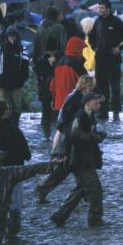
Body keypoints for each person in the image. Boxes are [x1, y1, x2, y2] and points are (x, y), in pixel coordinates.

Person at [36, 75, 96, 204]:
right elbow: (63, 120)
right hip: (71, 140)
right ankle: (45, 189)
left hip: (77, 140)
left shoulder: (81, 98)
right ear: (85, 85)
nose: (92, 89)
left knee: (77, 170)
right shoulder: (75, 98)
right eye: (90, 86)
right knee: (66, 169)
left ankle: (83, 194)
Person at [51, 92, 106, 227]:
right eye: (96, 102)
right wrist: (93, 137)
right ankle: (94, 218)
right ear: (87, 103)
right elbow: (75, 133)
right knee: (95, 188)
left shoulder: (90, 115)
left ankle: (60, 215)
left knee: (81, 188)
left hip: (84, 157)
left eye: (99, 103)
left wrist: (98, 135)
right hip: (79, 159)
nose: (98, 105)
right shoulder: (81, 115)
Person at [0, 100, 32, 241]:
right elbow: (25, 152)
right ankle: (12, 232)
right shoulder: (13, 130)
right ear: (6, 111)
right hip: (14, 170)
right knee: (15, 202)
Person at [89, 0, 123, 121]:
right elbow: (91, 37)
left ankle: (116, 111)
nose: (100, 10)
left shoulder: (117, 21)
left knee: (115, 87)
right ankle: (103, 112)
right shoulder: (97, 21)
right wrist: (95, 48)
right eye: (99, 7)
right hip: (100, 59)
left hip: (113, 59)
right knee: (101, 87)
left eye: (102, 8)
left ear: (108, 8)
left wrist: (120, 48)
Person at [33, 7, 68, 138]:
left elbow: (36, 48)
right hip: (55, 65)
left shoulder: (40, 27)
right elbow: (63, 46)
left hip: (42, 65)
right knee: (55, 91)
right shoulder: (59, 28)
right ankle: (55, 119)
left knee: (45, 94)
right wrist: (56, 58)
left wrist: (39, 61)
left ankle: (45, 119)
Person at [0, 26, 29, 121]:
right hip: (2, 83)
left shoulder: (22, 49)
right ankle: (2, 123)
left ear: (17, 36)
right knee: (2, 105)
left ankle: (15, 124)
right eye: (10, 35)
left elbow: (26, 66)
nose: (12, 37)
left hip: (17, 83)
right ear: (6, 36)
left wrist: (22, 79)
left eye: (13, 35)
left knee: (17, 106)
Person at [49, 37, 87, 118]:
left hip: (59, 104)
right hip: (73, 104)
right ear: (77, 48)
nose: (82, 52)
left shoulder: (59, 62)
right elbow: (87, 83)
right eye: (81, 49)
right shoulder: (77, 64)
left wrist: (53, 100)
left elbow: (52, 85)